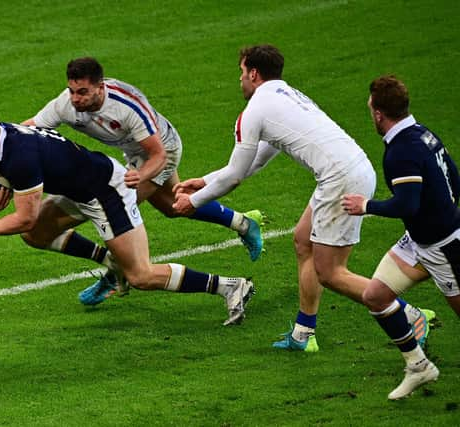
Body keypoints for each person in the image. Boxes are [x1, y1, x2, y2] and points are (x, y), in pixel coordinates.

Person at [173, 44, 430, 351]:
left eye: (241, 73)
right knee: (302, 239)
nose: (240, 79)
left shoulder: (255, 110)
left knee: (331, 273)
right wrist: (203, 181)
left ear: (253, 74)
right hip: (349, 170)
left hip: (340, 179)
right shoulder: (287, 96)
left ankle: (408, 315)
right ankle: (303, 334)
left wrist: (195, 201)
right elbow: (253, 162)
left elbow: (236, 176)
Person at [0, 102, 255, 326]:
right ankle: (110, 262)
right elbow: (23, 209)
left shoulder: (20, 159)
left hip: (107, 193)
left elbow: (25, 215)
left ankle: (229, 286)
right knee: (36, 234)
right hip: (79, 188)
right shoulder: (4, 135)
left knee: (142, 276)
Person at [13, 57, 263, 302]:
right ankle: (242, 223)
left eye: (82, 92)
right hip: (134, 153)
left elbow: (158, 154)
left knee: (113, 213)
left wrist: (141, 175)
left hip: (161, 150)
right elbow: (28, 130)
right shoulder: (65, 104)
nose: (75, 98)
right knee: (172, 206)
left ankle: (116, 273)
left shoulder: (127, 106)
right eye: (72, 91)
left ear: (100, 88)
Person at [341, 75, 460, 399]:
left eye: (370, 110)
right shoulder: (424, 134)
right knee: (375, 296)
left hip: (443, 247)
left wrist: (365, 205)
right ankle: (419, 366)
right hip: (418, 242)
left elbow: (407, 203)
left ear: (379, 113)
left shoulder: (401, 152)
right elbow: (455, 179)